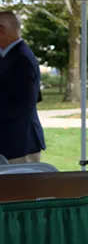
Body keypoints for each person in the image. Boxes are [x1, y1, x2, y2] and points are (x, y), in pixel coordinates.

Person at [0, 11, 46, 163]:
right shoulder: (9, 55)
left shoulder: (22, 59)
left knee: (21, 187)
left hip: (19, 145)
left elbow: (24, 105)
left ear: (1, 31)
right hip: (11, 142)